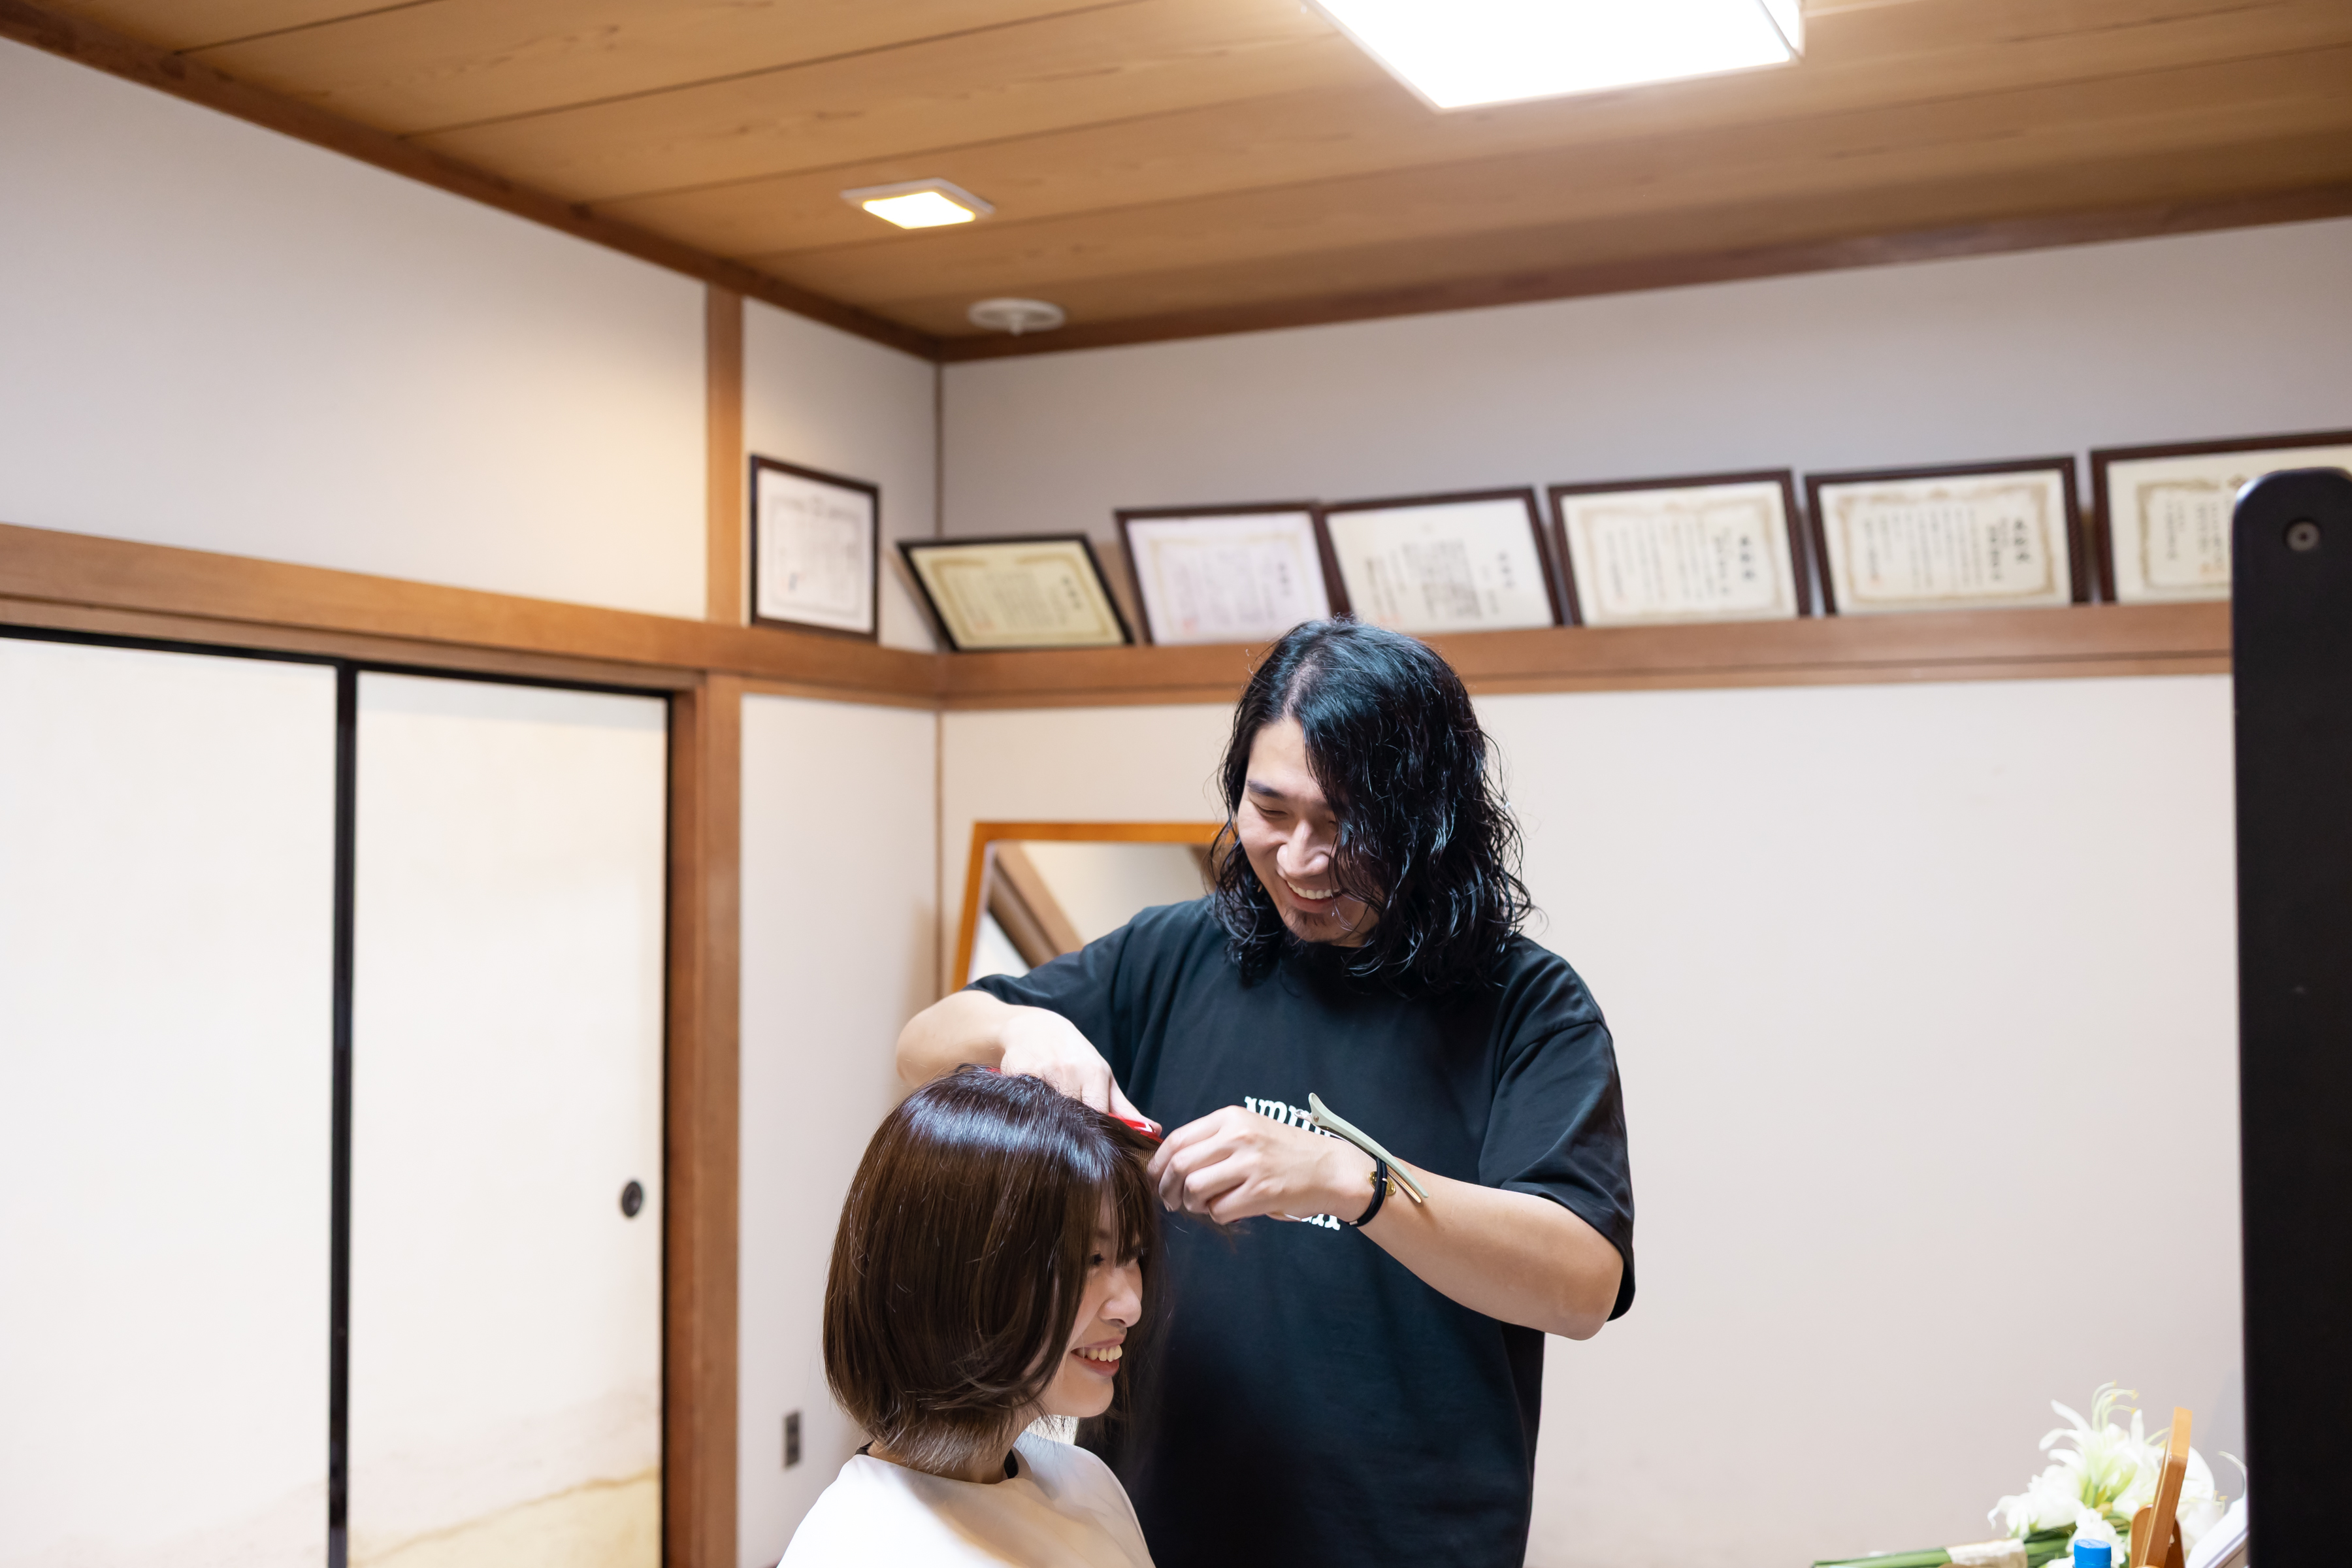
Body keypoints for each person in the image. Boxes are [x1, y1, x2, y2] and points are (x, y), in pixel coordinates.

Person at [896, 617, 1635, 1568]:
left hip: (1411, 1541)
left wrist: (1352, 1181)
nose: (1300, 860)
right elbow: (922, 1049)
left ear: (1430, 819)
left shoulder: (1527, 1004)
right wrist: (1019, 1030)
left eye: (1345, 824)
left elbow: (1582, 1285)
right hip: (1150, 1531)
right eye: (1271, 810)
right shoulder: (1177, 953)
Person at [781, 1068, 1162, 1567]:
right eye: (1090, 1260)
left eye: (1132, 1256)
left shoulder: (1088, 1482)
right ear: (955, 1278)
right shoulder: (858, 1548)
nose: (1131, 1306)